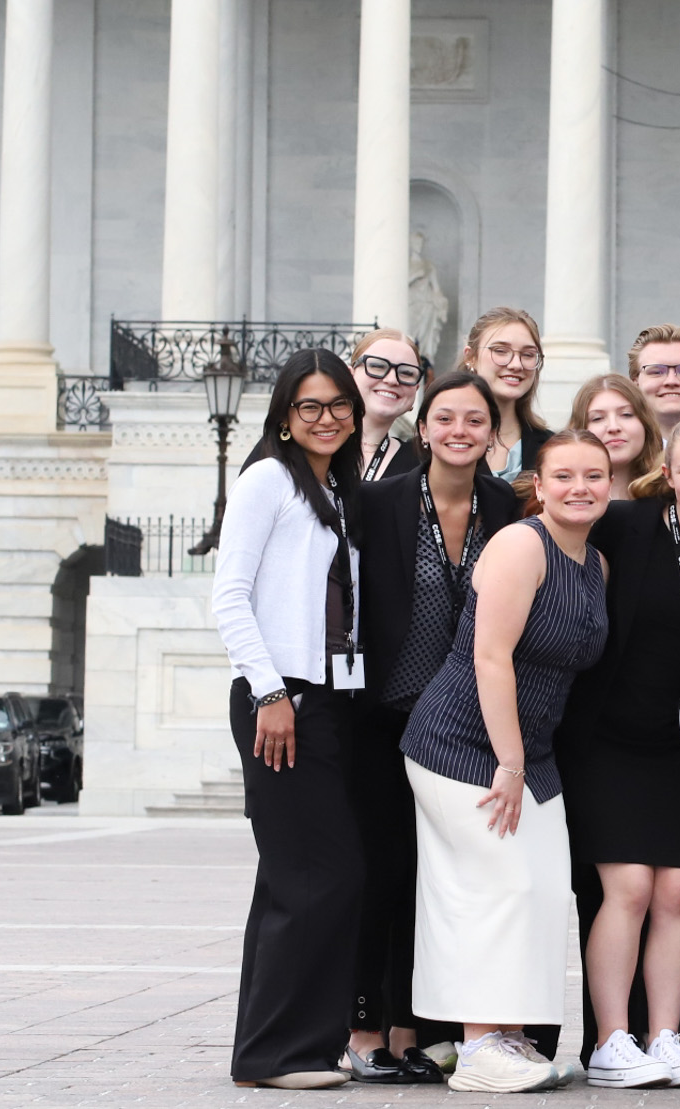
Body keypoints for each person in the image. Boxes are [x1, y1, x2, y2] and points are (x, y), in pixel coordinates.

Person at [401, 430, 614, 1095]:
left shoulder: (596, 564)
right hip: (461, 744)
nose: (580, 488)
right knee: (493, 888)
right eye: (564, 476)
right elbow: (491, 657)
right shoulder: (522, 545)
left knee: (543, 891)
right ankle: (476, 1047)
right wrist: (510, 761)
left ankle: (511, 1036)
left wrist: (523, 760)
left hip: (530, 753)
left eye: (594, 476)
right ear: (539, 486)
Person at [558, 415, 680, 1088]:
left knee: (677, 889)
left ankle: (664, 1035)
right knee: (631, 887)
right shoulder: (624, 526)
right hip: (609, 741)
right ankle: (611, 1040)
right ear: (666, 474)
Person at [348, 371, 522, 1085]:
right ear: (422, 429)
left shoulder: (505, 507)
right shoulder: (380, 501)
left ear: (492, 433)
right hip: (385, 717)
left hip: (462, 728)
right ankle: (363, 1027)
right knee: (381, 872)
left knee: (441, 881)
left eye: (474, 420)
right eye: (444, 417)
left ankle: (415, 1028)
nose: (459, 430)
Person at [211, 349, 369, 1090]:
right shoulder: (267, 480)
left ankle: (285, 1046)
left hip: (324, 698)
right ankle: (279, 1053)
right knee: (318, 875)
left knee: (300, 877)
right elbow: (229, 595)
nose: (326, 417)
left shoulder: (335, 487)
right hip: (282, 699)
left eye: (339, 404)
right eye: (310, 405)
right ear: (283, 415)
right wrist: (269, 692)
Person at [460, 305, 553, 481]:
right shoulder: (439, 441)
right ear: (471, 357)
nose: (516, 365)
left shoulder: (553, 448)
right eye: (500, 351)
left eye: (528, 354)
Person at [351, 328, 427, 481]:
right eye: (377, 366)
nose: (392, 380)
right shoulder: (312, 446)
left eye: (406, 373)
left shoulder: (425, 466)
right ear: (350, 375)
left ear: (416, 389)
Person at [570, 373, 664, 495]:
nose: (613, 427)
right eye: (597, 418)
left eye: (626, 414)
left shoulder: (672, 496)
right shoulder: (559, 500)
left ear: (645, 424)